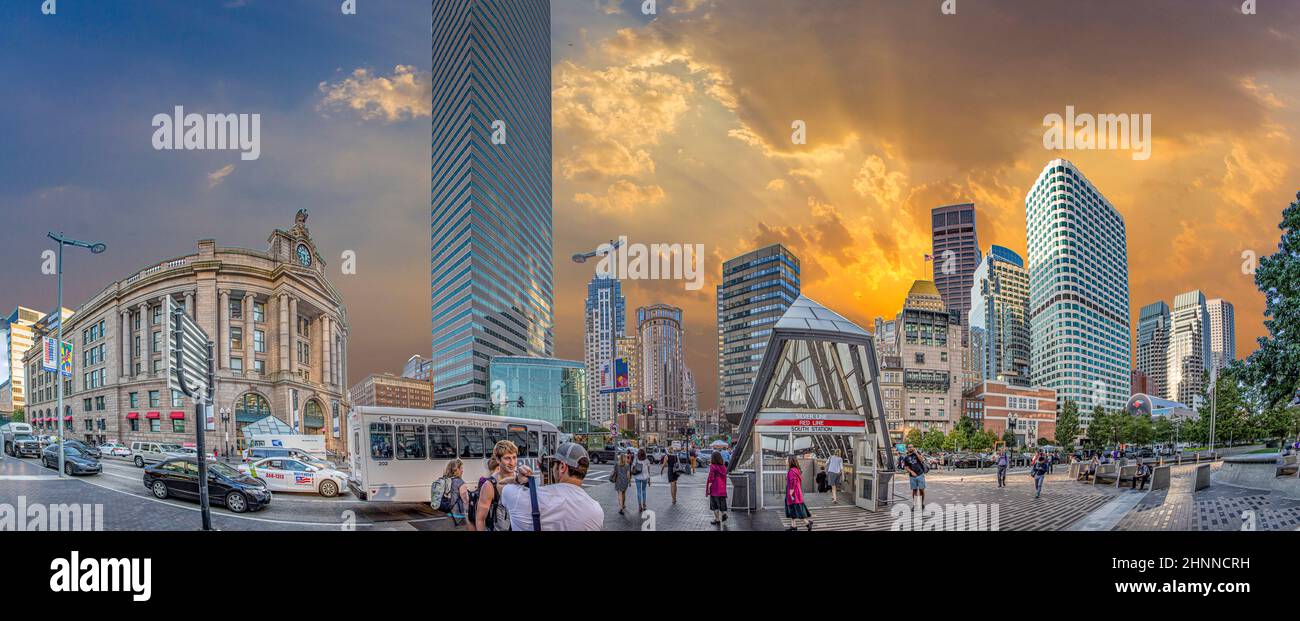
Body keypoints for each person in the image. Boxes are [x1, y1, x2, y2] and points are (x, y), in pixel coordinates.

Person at [499, 442, 603, 531]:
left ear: (562, 467)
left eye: (553, 464)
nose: (552, 468)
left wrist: (517, 479)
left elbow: (498, 484)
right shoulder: (597, 511)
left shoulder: (524, 498)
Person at [472, 440, 518, 531]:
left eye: (514, 457)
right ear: (498, 459)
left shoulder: (521, 480)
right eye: (507, 458)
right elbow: (480, 519)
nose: (512, 462)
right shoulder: (489, 485)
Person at [439, 459, 470, 525]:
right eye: (461, 468)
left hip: (449, 513)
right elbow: (466, 502)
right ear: (457, 469)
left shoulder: (446, 481)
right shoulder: (460, 483)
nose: (462, 470)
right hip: (459, 515)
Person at [785, 456, 813, 531]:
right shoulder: (796, 470)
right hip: (797, 492)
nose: (785, 461)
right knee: (792, 509)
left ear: (790, 461)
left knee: (797, 509)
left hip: (793, 494)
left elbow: (793, 481)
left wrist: (791, 491)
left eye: (786, 460)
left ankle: (807, 523)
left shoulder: (791, 471)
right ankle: (793, 526)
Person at [899, 444, 928, 509]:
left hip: (920, 474)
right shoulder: (906, 457)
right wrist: (911, 472)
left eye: (911, 447)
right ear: (907, 449)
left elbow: (922, 460)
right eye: (909, 447)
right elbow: (906, 467)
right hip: (912, 476)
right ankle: (915, 505)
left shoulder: (917, 454)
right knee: (914, 491)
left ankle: (921, 504)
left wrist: (916, 453)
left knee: (921, 490)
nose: (910, 448)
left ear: (913, 448)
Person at [706, 451, 728, 526]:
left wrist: (709, 487)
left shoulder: (713, 466)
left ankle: (717, 520)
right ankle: (724, 514)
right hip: (722, 489)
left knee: (715, 505)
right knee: (722, 504)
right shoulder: (723, 467)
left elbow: (711, 478)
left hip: (715, 489)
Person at [633, 448, 652, 513]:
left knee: (638, 491)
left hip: (637, 477)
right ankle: (644, 505)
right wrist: (649, 479)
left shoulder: (636, 459)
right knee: (644, 491)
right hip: (645, 478)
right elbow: (649, 470)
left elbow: (633, 467)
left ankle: (639, 506)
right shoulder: (647, 460)